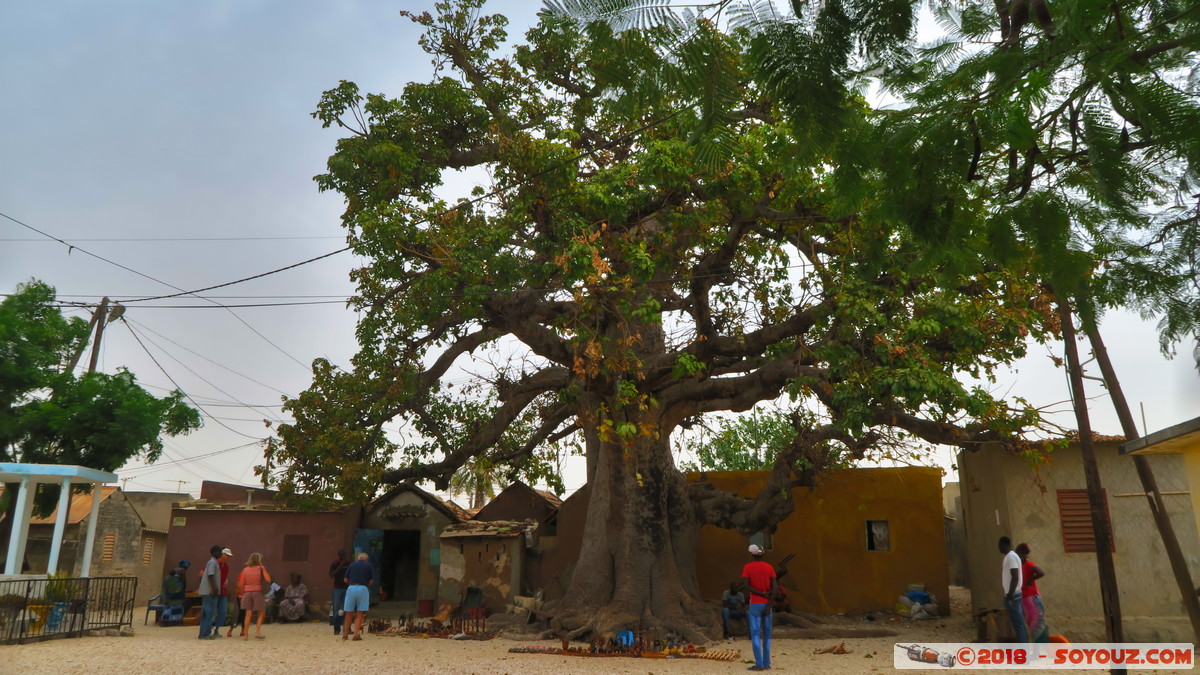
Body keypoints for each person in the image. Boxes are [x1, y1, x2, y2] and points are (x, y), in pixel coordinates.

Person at [742, 544, 777, 672]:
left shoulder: (747, 568)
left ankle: (759, 664)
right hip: (768, 604)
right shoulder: (769, 567)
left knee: (756, 633)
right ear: (762, 555)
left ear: (752, 555)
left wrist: (760, 594)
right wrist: (769, 604)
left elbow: (746, 586)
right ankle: (767, 663)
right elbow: (775, 588)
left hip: (755, 604)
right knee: (767, 635)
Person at [1015, 543, 1049, 643]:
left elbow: (1041, 572)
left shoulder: (1028, 564)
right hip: (1025, 598)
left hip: (1031, 598)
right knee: (1032, 626)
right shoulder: (1020, 566)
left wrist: (1031, 580)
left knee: (1036, 626)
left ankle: (1039, 650)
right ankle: (1038, 651)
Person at [237, 552, 272, 640]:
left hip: (247, 592)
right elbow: (268, 579)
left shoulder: (245, 570)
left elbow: (241, 584)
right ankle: (257, 632)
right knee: (261, 612)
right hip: (257, 591)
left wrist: (241, 594)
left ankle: (245, 635)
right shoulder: (261, 568)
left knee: (248, 614)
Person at [999, 536, 1027, 642]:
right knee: (1019, 624)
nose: (999, 548)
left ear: (1003, 545)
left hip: (1013, 595)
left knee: (1018, 625)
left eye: (999, 546)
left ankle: (1023, 654)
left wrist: (1010, 593)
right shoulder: (1012, 556)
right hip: (1014, 593)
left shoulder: (1010, 557)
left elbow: (1015, 575)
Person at [342, 552, 373, 641]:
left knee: (349, 613)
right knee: (360, 613)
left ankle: (345, 634)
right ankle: (355, 635)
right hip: (363, 588)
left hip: (351, 588)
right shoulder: (368, 566)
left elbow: (345, 579)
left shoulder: (352, 565)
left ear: (358, 558)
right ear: (366, 559)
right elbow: (371, 581)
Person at [197, 545, 223, 640]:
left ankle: (203, 633)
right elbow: (211, 575)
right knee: (210, 612)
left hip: (207, 591)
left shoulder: (213, 562)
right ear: (214, 552)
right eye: (219, 551)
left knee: (206, 612)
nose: (220, 553)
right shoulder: (212, 562)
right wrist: (214, 588)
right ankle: (205, 633)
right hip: (210, 591)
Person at [329, 549, 351, 635]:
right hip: (337, 588)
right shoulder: (335, 563)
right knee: (336, 610)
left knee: (347, 609)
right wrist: (339, 567)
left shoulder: (348, 563)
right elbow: (331, 575)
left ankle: (347, 628)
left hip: (346, 588)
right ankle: (336, 629)